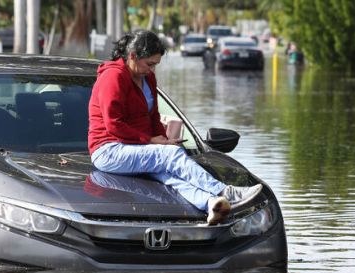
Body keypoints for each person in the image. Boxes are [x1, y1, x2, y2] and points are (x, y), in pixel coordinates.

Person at [87, 30, 263, 226]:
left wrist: (164, 139)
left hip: (135, 148)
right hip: (108, 151)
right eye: (149, 64)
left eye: (155, 65)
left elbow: (152, 116)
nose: (151, 70)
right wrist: (153, 142)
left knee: (169, 174)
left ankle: (210, 203)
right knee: (169, 156)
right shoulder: (113, 77)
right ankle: (224, 191)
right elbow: (114, 125)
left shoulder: (148, 79)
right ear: (133, 56)